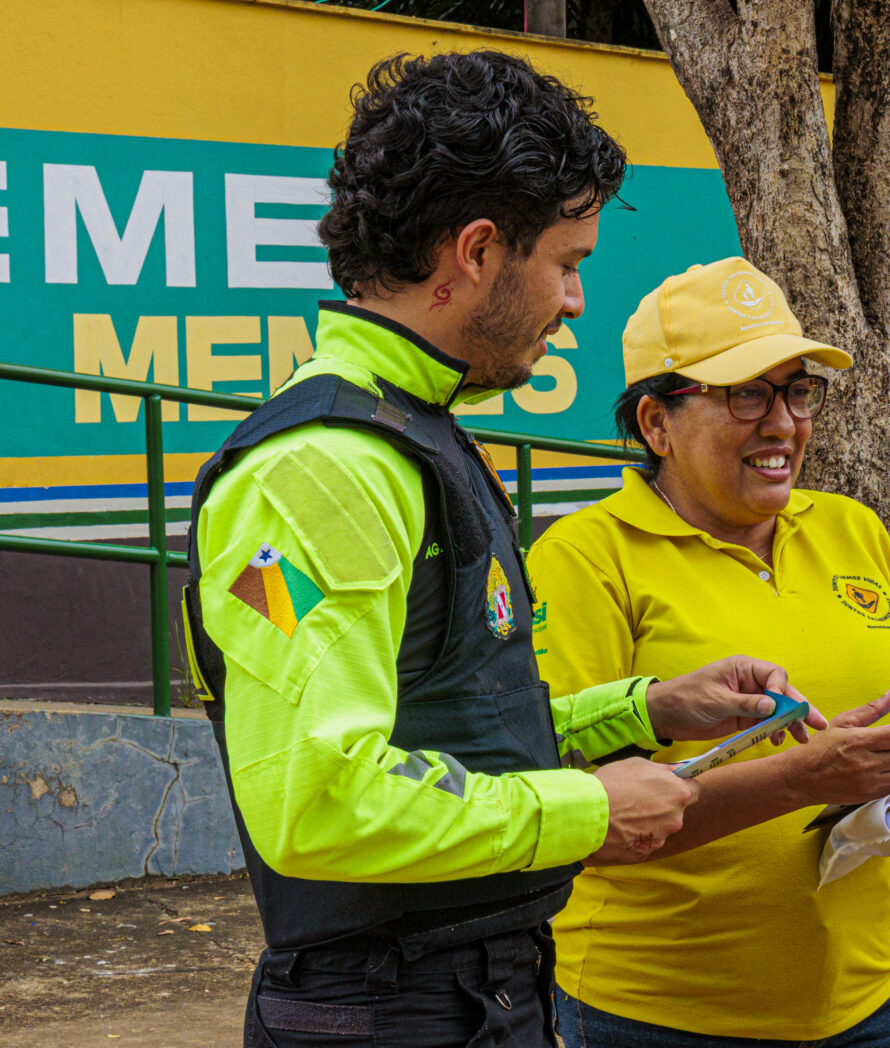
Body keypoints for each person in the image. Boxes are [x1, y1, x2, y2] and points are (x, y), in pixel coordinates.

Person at [184, 53, 823, 1048]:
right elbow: (316, 798)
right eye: (567, 264)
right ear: (477, 250)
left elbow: (445, 742)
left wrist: (645, 710)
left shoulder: (417, 433)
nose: (575, 302)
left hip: (474, 995)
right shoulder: (315, 479)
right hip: (392, 1011)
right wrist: (582, 812)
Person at [526, 258, 890, 1046]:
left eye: (797, 390)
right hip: (660, 1015)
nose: (782, 423)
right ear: (655, 424)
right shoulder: (585, 559)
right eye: (745, 394)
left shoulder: (853, 531)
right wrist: (803, 780)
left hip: (867, 1000)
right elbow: (574, 812)